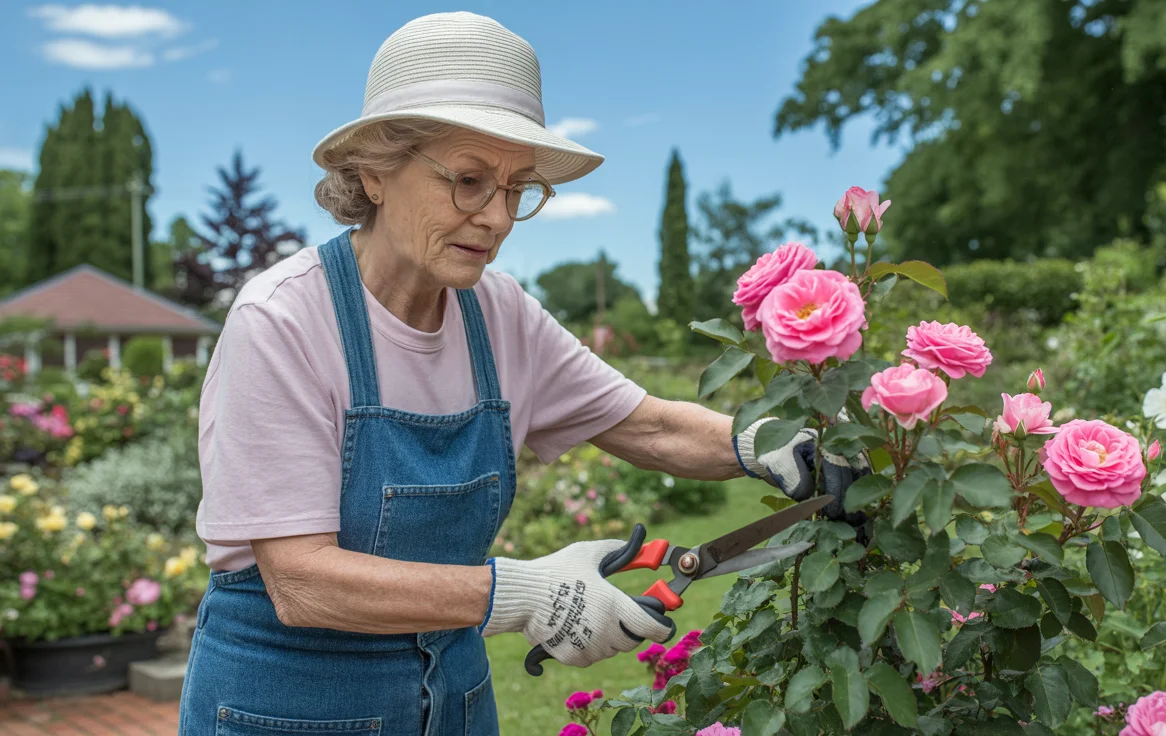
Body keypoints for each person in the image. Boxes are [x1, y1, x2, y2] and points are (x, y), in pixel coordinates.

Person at [176, 12, 865, 735]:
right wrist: (526, 593)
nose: (499, 218)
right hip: (289, 708)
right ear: (375, 172)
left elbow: (646, 424)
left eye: (517, 188)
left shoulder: (495, 311)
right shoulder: (283, 321)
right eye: (469, 181)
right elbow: (302, 582)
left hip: (456, 703)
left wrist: (770, 444)